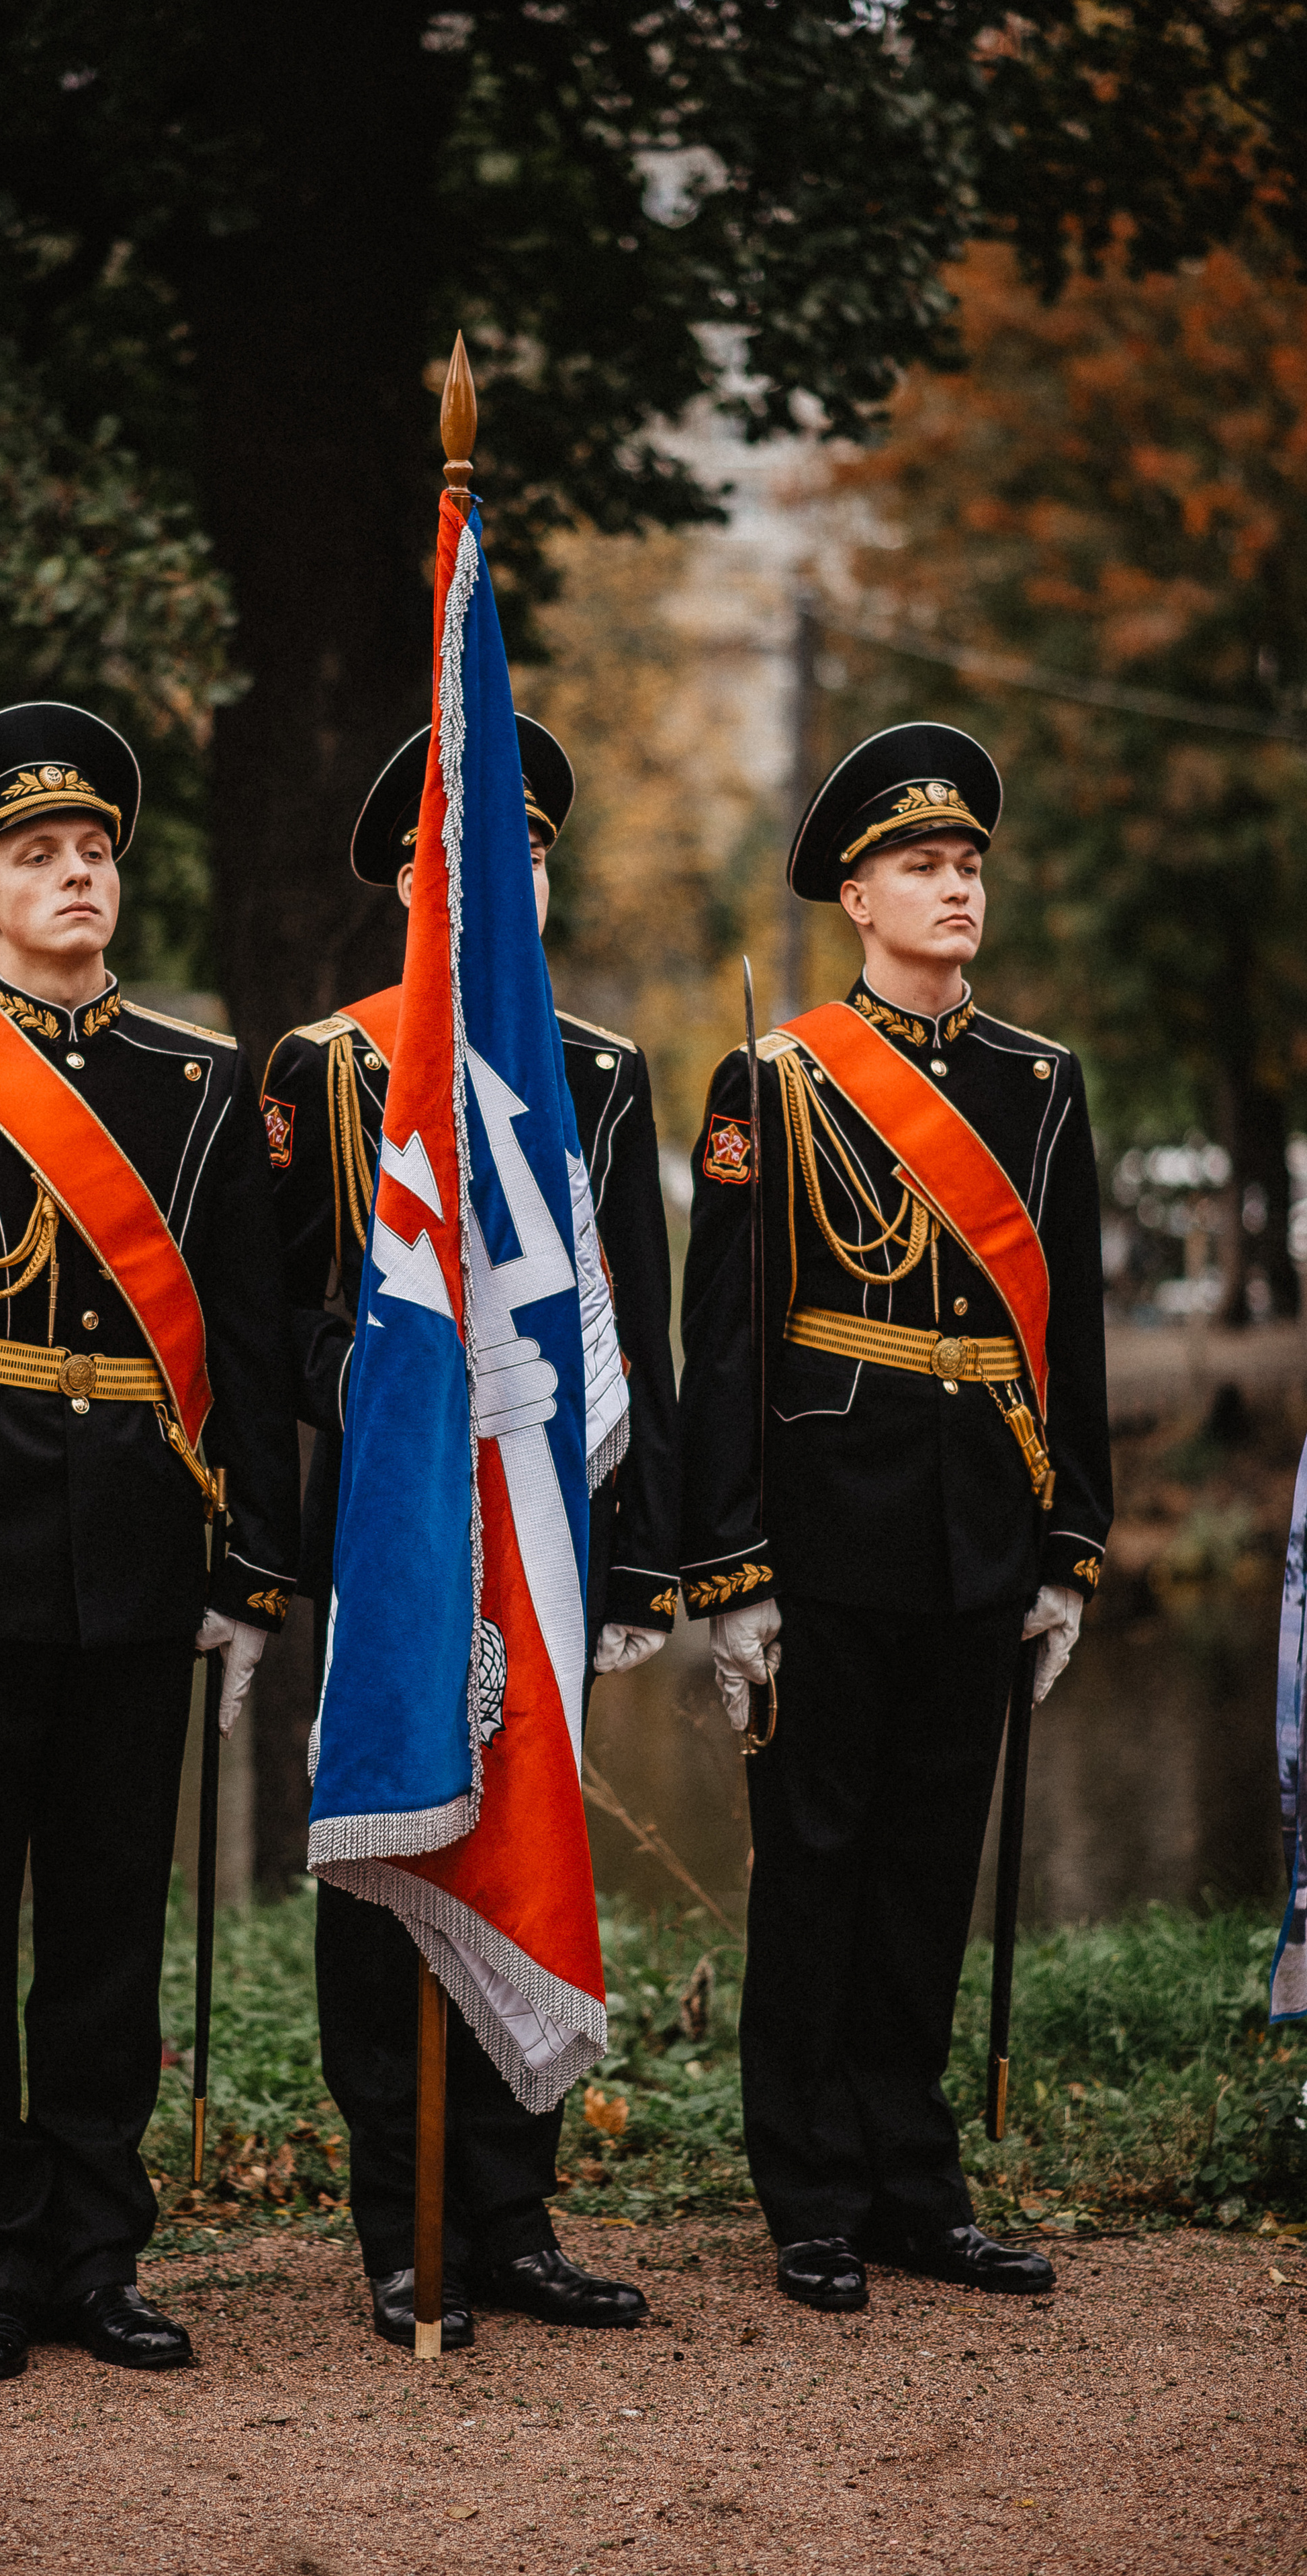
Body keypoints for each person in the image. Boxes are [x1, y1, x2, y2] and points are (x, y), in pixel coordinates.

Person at [0, 703, 299, 2382]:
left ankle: (98, 2249)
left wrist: (243, 1575)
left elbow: (240, 1343)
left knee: (107, 1925)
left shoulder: (200, 1080)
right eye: (38, 857)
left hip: (141, 1563)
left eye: (92, 853)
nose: (75, 874)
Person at [678, 723, 1112, 2315]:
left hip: (978, 1531)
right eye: (921, 868)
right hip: (824, 1528)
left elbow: (1070, 1329)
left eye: (967, 868)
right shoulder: (774, 1079)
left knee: (930, 1867)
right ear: (854, 896)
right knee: (812, 1866)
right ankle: (806, 2187)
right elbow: (720, 1341)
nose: (953, 890)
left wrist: (1068, 1546)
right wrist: (729, 1570)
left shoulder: (1038, 1084)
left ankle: (914, 2182)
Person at [263, 717, 680, 2350]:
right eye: (468, 851)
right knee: (388, 1857)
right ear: (412, 879)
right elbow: (278, 1326)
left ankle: (511, 2214)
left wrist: (640, 1565)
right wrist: (410, 1373)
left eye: (523, 848)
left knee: (522, 1839)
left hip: (545, 1536)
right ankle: (401, 2227)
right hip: (392, 1535)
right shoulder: (331, 1062)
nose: (500, 872)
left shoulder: (596, 1071)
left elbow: (624, 1335)